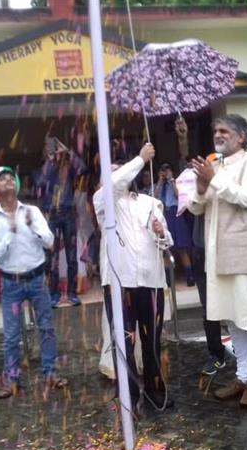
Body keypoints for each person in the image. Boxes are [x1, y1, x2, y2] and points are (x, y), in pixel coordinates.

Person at [188, 114, 247, 407]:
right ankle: (243, 375)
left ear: (241, 138)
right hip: (218, 253)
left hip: (245, 251)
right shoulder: (216, 166)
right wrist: (200, 186)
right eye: (216, 131)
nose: (218, 135)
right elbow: (197, 207)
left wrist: (214, 179)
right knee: (234, 317)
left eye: (224, 131)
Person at [93, 143, 175, 411]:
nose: (120, 177)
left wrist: (161, 232)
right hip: (120, 285)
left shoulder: (150, 202)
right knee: (124, 343)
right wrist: (139, 159)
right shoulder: (103, 202)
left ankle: (154, 392)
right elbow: (113, 185)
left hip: (151, 282)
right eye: (114, 173)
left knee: (151, 341)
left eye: (122, 171)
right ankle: (127, 397)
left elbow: (166, 242)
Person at [0, 167, 69, 399]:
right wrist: (11, 232)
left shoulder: (32, 211)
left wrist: (32, 226)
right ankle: (11, 380)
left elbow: (50, 242)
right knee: (11, 335)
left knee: (47, 328)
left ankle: (50, 374)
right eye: (2, 179)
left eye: (11, 177)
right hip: (11, 283)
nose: (8, 180)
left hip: (37, 279)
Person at [174, 117, 226, 376]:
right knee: (210, 307)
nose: (208, 169)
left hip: (226, 254)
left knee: (233, 305)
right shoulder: (198, 188)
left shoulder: (228, 189)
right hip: (201, 253)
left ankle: (245, 360)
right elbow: (184, 165)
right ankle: (216, 354)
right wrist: (182, 137)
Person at [38, 138, 84, 308]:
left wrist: (68, 152)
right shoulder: (45, 168)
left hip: (69, 213)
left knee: (72, 256)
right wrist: (50, 160)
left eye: (55, 149)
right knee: (51, 257)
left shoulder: (69, 168)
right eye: (50, 149)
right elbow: (41, 183)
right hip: (51, 214)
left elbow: (82, 169)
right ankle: (53, 294)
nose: (54, 152)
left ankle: (72, 293)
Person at [154, 162, 195, 286]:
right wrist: (160, 181)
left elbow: (179, 196)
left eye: (167, 171)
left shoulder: (178, 183)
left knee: (182, 248)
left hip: (176, 214)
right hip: (164, 215)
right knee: (167, 249)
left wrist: (172, 180)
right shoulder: (158, 185)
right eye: (163, 171)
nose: (165, 173)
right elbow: (155, 197)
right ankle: (168, 280)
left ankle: (190, 276)